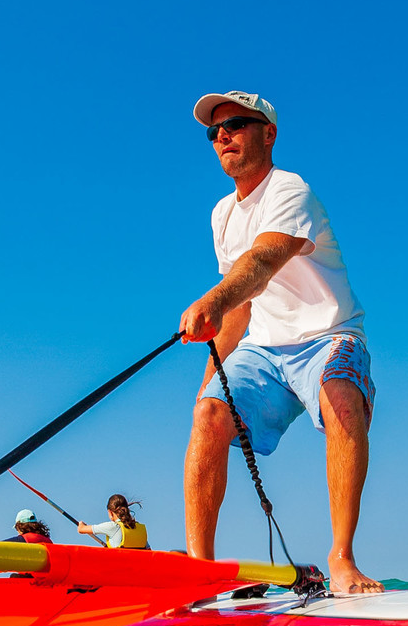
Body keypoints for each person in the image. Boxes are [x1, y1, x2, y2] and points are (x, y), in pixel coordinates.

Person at [179, 88, 381, 595]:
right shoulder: (221, 214)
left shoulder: (291, 190)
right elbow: (241, 310)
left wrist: (214, 299)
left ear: (268, 133)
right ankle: (199, 573)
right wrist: (209, 388)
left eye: (236, 125)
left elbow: (262, 263)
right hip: (264, 350)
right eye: (214, 131)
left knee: (340, 393)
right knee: (207, 416)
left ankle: (342, 559)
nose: (223, 136)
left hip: (327, 335)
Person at [76, 494, 150, 549]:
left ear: (110, 512)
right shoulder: (139, 529)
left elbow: (81, 529)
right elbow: (149, 551)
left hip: (119, 568)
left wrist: (81, 524)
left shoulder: (113, 526)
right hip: (138, 569)